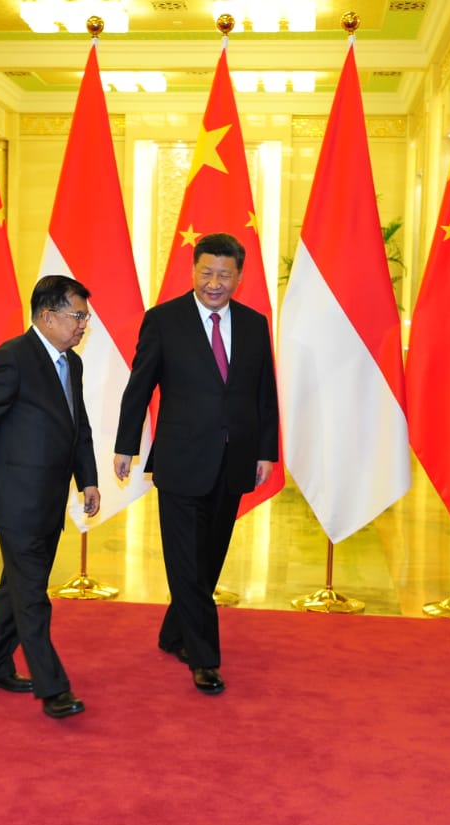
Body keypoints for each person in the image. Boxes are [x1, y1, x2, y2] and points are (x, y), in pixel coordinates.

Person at [113, 232, 279, 695]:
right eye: (206, 272)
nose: (214, 283)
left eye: (224, 275)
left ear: (239, 278)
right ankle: (204, 658)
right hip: (182, 458)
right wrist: (127, 445)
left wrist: (267, 450)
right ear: (193, 272)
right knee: (185, 560)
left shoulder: (254, 323)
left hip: (235, 458)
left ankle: (174, 632)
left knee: (208, 558)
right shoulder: (164, 320)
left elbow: (264, 392)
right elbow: (139, 387)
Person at [0, 275, 101, 719]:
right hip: (16, 499)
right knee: (32, 593)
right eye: (77, 315)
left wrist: (87, 479)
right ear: (47, 316)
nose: (83, 324)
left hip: (49, 498)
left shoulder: (73, 362)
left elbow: (78, 426)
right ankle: (53, 687)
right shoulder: (11, 358)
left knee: (18, 584)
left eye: (85, 316)